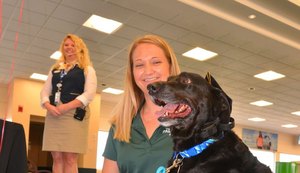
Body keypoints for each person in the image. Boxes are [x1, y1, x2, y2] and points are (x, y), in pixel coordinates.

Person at [102, 34, 181, 173]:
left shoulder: (193, 120)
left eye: (156, 62)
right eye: (139, 65)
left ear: (170, 65)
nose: (148, 71)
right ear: (132, 73)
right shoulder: (120, 125)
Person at [40, 34, 97, 173]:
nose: (69, 48)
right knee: (57, 157)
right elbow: (44, 92)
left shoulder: (87, 69)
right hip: (54, 114)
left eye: (73, 45)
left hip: (73, 114)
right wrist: (48, 106)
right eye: (66, 45)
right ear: (62, 47)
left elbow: (89, 94)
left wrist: (66, 106)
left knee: (70, 158)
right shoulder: (55, 69)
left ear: (80, 49)